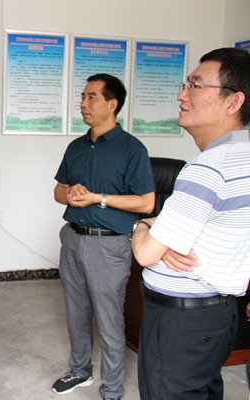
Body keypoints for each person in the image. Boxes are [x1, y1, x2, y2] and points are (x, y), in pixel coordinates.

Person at [131, 47, 250, 400]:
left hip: (182, 322)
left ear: (234, 102)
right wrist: (166, 236)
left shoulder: (209, 167)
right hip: (218, 315)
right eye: (186, 84)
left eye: (195, 86)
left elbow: (146, 253)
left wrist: (143, 226)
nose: (182, 95)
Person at [53, 74, 155, 399]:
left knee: (109, 319)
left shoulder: (132, 149)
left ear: (112, 104)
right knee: (76, 312)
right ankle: (80, 371)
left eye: (91, 97)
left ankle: (112, 388)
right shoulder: (76, 146)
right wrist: (71, 193)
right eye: (83, 97)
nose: (83, 103)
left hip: (108, 244)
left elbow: (146, 202)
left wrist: (98, 198)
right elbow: (57, 191)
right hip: (72, 238)